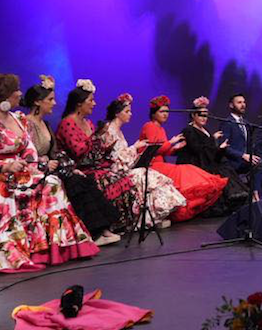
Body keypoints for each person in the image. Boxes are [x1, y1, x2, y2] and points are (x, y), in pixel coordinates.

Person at [0, 73, 99, 272]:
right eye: (15, 91)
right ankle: (15, 245)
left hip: (22, 170)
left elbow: (28, 147)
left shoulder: (17, 118)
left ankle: (50, 248)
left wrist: (29, 164)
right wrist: (3, 166)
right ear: (4, 96)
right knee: (7, 192)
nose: (20, 93)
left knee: (52, 182)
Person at [23, 75, 119, 245]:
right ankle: (94, 231)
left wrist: (69, 167)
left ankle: (104, 228)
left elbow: (55, 152)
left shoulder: (45, 124)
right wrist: (44, 164)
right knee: (75, 182)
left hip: (53, 166)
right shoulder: (27, 123)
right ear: (38, 102)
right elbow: (26, 152)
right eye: (50, 99)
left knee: (82, 178)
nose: (54, 103)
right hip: (36, 169)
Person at [94, 93, 187, 229]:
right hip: (114, 171)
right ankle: (146, 220)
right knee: (147, 175)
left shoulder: (118, 131)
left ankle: (153, 217)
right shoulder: (109, 130)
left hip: (124, 168)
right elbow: (114, 157)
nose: (130, 114)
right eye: (127, 111)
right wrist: (135, 148)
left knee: (150, 175)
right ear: (118, 113)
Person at [55, 80, 128, 244]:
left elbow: (95, 150)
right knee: (106, 180)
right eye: (91, 101)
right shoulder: (67, 123)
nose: (94, 104)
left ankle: (115, 224)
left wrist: (105, 146)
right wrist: (95, 138)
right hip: (77, 168)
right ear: (79, 104)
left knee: (121, 177)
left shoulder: (88, 123)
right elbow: (78, 152)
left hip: (94, 165)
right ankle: (99, 229)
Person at [139, 95, 225, 221]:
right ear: (153, 113)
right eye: (162, 111)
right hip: (152, 165)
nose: (165, 115)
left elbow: (165, 152)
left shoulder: (161, 129)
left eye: (167, 112)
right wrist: (172, 142)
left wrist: (176, 147)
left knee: (188, 170)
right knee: (184, 171)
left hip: (161, 163)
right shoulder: (149, 126)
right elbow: (154, 149)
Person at [177, 97, 249, 216]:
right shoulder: (188, 130)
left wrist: (220, 149)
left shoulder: (205, 130)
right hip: (196, 163)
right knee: (220, 170)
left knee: (226, 167)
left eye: (206, 116)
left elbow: (210, 151)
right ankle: (230, 201)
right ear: (193, 115)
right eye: (201, 115)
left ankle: (238, 200)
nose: (204, 118)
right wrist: (212, 139)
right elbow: (197, 149)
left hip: (207, 160)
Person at [220, 93, 262, 182]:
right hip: (234, 161)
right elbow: (225, 148)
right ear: (231, 105)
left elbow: (248, 144)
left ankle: (254, 192)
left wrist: (254, 155)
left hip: (245, 161)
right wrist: (243, 155)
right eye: (239, 102)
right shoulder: (227, 123)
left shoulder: (246, 123)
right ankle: (252, 193)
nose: (243, 105)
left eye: (244, 102)